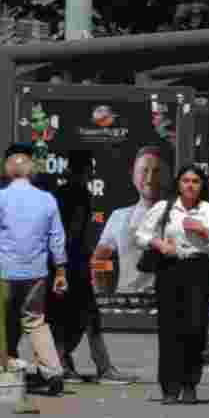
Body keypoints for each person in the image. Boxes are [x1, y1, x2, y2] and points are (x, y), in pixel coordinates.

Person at [136, 164, 209, 405]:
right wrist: (159, 244)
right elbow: (140, 234)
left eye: (195, 181)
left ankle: (190, 384)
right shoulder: (165, 207)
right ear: (178, 184)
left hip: (198, 270)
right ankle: (169, 387)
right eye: (186, 180)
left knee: (195, 329)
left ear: (202, 186)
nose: (190, 185)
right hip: (170, 269)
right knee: (169, 330)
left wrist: (204, 232)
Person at [51, 151, 136, 385]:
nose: (91, 173)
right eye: (90, 168)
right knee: (88, 317)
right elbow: (73, 232)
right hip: (72, 265)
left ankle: (67, 365)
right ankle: (99, 368)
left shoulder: (60, 193)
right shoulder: (78, 194)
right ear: (85, 169)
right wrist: (74, 260)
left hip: (62, 264)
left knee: (67, 317)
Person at [0, 143, 70, 396]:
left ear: (8, 170)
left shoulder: (1, 198)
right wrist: (60, 271)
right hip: (36, 272)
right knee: (36, 322)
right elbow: (57, 238)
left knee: (3, 322)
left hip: (4, 271)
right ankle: (53, 371)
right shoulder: (47, 199)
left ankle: (6, 369)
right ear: (31, 172)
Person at [96, 146, 171, 295]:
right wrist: (102, 292)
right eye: (144, 171)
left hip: (166, 305)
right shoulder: (119, 216)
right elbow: (99, 259)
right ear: (133, 176)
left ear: (166, 176)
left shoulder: (177, 215)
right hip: (126, 303)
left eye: (156, 171)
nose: (150, 179)